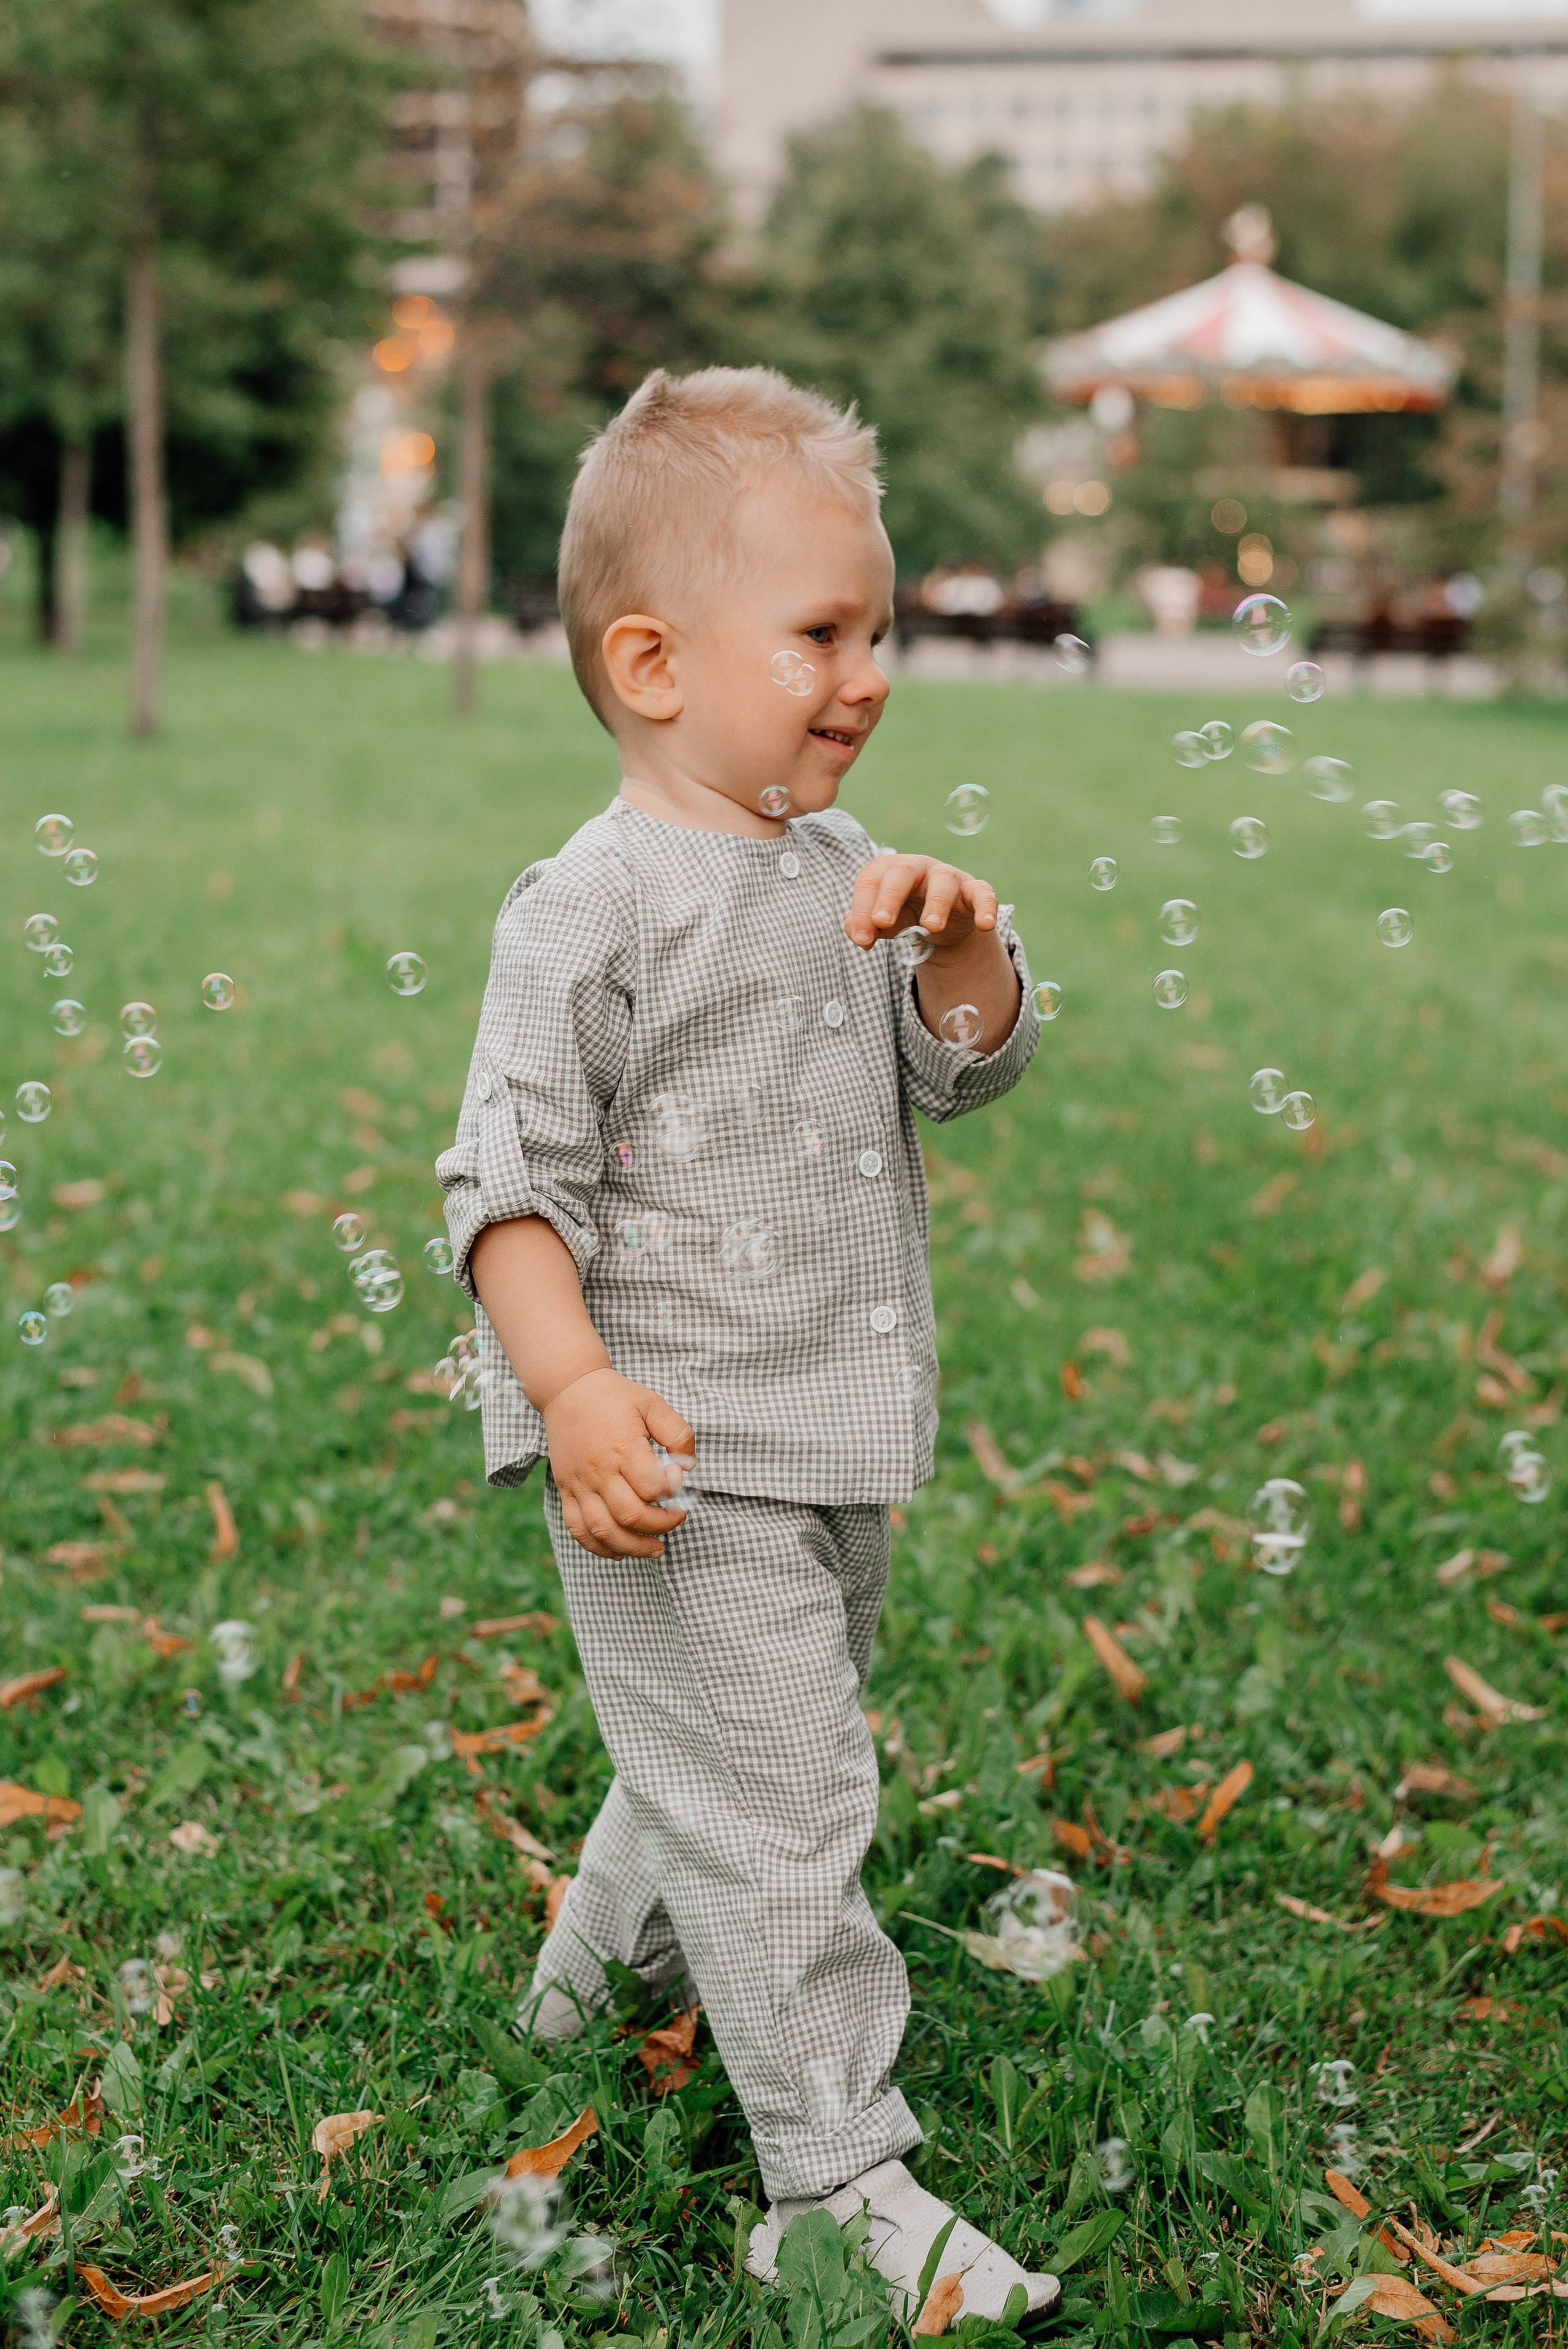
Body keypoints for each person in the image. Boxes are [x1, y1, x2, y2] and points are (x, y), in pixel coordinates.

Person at [436, 365, 1054, 2327]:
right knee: (791, 1804)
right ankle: (837, 2181)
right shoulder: (594, 906)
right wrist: (572, 1387)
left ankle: (588, 1971)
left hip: (838, 1431)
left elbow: (963, 1078)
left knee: (733, 1751)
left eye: (879, 631)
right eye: (819, 634)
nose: (867, 672)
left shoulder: (838, 860)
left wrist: (963, 948)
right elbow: (504, 1185)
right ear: (651, 660)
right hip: (678, 1452)